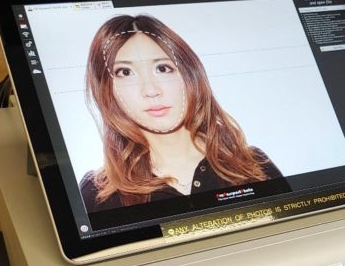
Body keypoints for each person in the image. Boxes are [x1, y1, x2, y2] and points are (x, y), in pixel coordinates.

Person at [80, 14, 281, 212]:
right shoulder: (96, 194)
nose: (151, 90)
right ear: (106, 90)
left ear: (189, 74)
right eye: (125, 72)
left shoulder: (253, 165)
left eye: (162, 68)